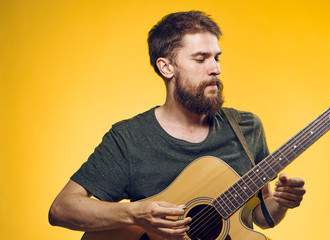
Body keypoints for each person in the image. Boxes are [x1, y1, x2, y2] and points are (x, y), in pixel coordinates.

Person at [49, 10, 306, 240]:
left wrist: (281, 203)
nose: (215, 68)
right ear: (167, 67)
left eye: (217, 58)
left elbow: (261, 217)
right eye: (201, 58)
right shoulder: (129, 138)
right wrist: (134, 214)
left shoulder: (246, 128)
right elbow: (62, 209)